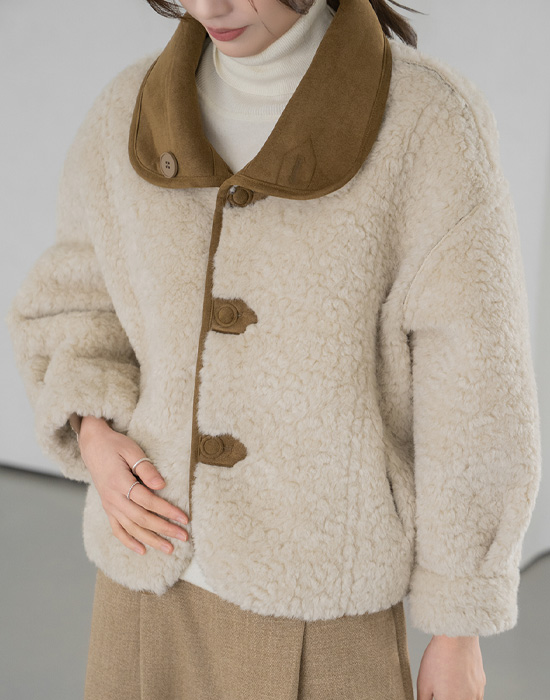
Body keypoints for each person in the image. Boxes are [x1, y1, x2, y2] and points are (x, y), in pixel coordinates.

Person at [5, 0, 542, 698]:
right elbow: (75, 305)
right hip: (144, 586)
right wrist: (93, 432)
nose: (210, 7)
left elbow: (476, 390)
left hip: (325, 605)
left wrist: (458, 629)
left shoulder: (427, 123)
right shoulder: (128, 114)